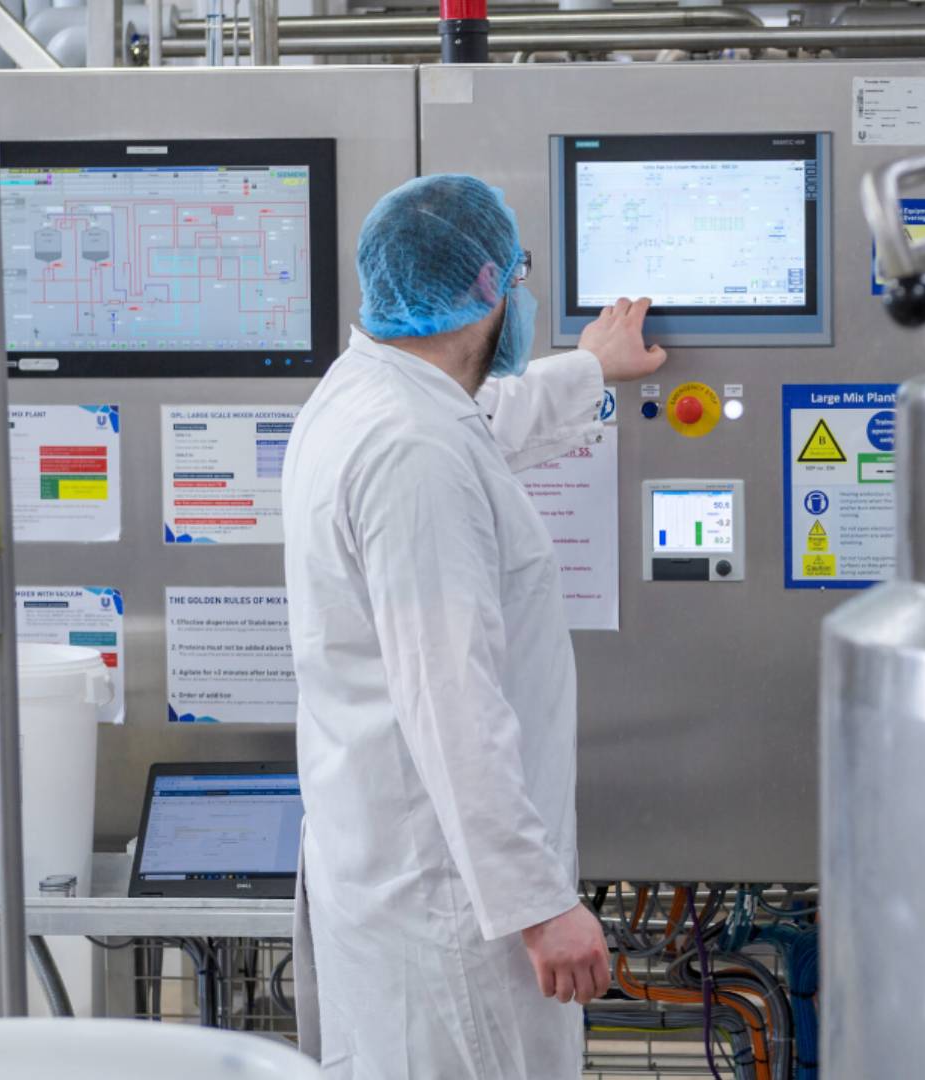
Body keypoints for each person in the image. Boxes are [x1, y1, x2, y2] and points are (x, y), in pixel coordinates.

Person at [281, 175, 669, 1080]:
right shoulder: (412, 450)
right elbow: (451, 700)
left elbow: (478, 425)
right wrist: (539, 904)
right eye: (521, 275)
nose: (524, 297)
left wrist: (589, 368)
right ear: (491, 284)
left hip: (405, 877)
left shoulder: (368, 396)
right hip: (452, 907)